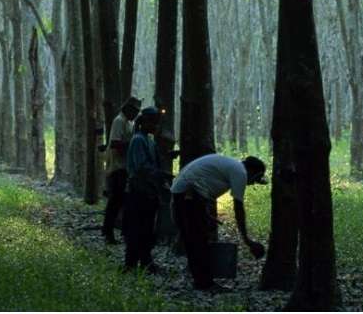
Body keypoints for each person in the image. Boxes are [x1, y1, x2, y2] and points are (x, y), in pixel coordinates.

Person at [171, 154, 268, 291]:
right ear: (252, 171)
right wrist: (247, 240)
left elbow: (203, 183)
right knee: (198, 240)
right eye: (256, 179)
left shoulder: (232, 166)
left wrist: (205, 214)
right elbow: (238, 208)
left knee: (194, 239)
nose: (252, 183)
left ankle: (200, 280)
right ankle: (205, 283)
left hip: (184, 193)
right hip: (188, 195)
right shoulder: (240, 172)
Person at [122, 106, 168, 273]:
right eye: (154, 122)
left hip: (149, 192)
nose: (157, 126)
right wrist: (161, 174)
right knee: (137, 228)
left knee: (147, 229)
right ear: (146, 122)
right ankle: (130, 264)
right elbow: (142, 168)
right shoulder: (138, 140)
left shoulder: (149, 141)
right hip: (138, 192)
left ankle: (145, 261)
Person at [101, 96, 141, 244]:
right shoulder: (119, 121)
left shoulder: (128, 123)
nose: (136, 114)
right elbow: (115, 143)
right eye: (135, 110)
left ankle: (119, 231)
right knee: (115, 202)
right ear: (128, 109)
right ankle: (107, 231)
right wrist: (133, 146)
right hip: (117, 167)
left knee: (122, 202)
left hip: (124, 167)